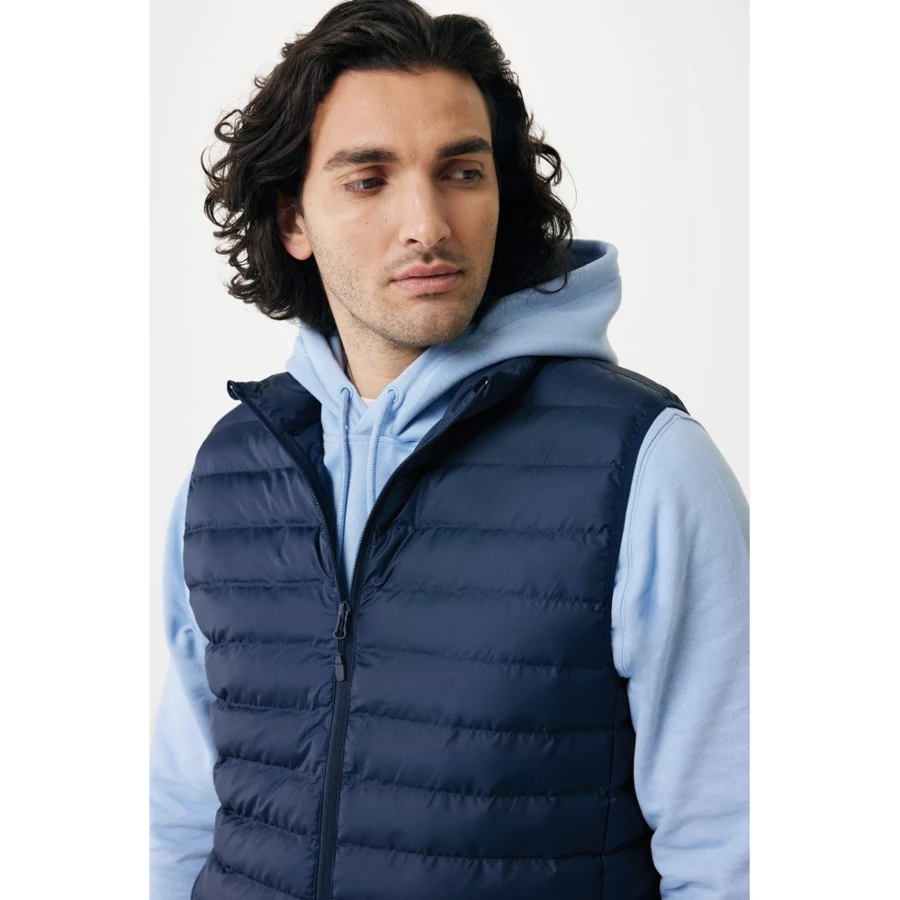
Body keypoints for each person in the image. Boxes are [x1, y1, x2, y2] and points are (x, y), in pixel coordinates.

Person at [149, 1, 749, 897]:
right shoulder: (232, 474)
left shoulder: (644, 467)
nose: (426, 223)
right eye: (368, 180)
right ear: (292, 221)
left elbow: (735, 845)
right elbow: (182, 814)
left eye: (462, 172)